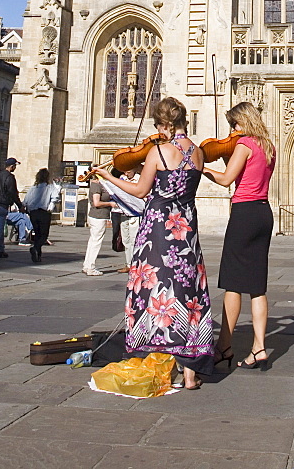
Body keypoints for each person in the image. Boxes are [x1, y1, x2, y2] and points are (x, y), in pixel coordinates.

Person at [93, 96, 214, 390]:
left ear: (165, 124)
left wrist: (108, 177)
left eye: (159, 125)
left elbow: (140, 189)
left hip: (158, 228)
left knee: (154, 288)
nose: (158, 131)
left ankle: (154, 351)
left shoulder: (159, 152)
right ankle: (190, 371)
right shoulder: (197, 153)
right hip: (186, 230)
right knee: (188, 290)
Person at [203, 101, 276, 371]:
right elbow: (251, 176)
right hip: (263, 213)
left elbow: (226, 180)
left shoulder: (244, 144)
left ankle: (224, 345)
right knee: (257, 285)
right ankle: (259, 347)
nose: (232, 129)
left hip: (244, 213)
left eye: (234, 123)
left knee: (233, 282)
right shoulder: (268, 146)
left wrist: (201, 167)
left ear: (243, 121)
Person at [24, 168, 61, 263]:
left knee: (37, 233)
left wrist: (28, 209)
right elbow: (55, 198)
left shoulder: (32, 188)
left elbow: (26, 201)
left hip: (33, 213)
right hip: (44, 212)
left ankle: (38, 255)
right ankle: (35, 248)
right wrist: (50, 207)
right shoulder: (50, 187)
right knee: (44, 235)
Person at [110, 166, 141, 274]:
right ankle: (128, 264)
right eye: (125, 171)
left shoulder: (139, 179)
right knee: (125, 240)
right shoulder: (123, 179)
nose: (127, 174)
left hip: (134, 213)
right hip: (123, 212)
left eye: (128, 171)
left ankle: (135, 264)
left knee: (133, 239)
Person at [82, 172, 113, 276]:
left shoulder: (100, 184)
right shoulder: (96, 185)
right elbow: (97, 203)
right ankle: (90, 267)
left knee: (93, 241)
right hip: (98, 216)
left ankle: (87, 265)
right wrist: (110, 203)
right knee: (96, 242)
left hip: (97, 216)